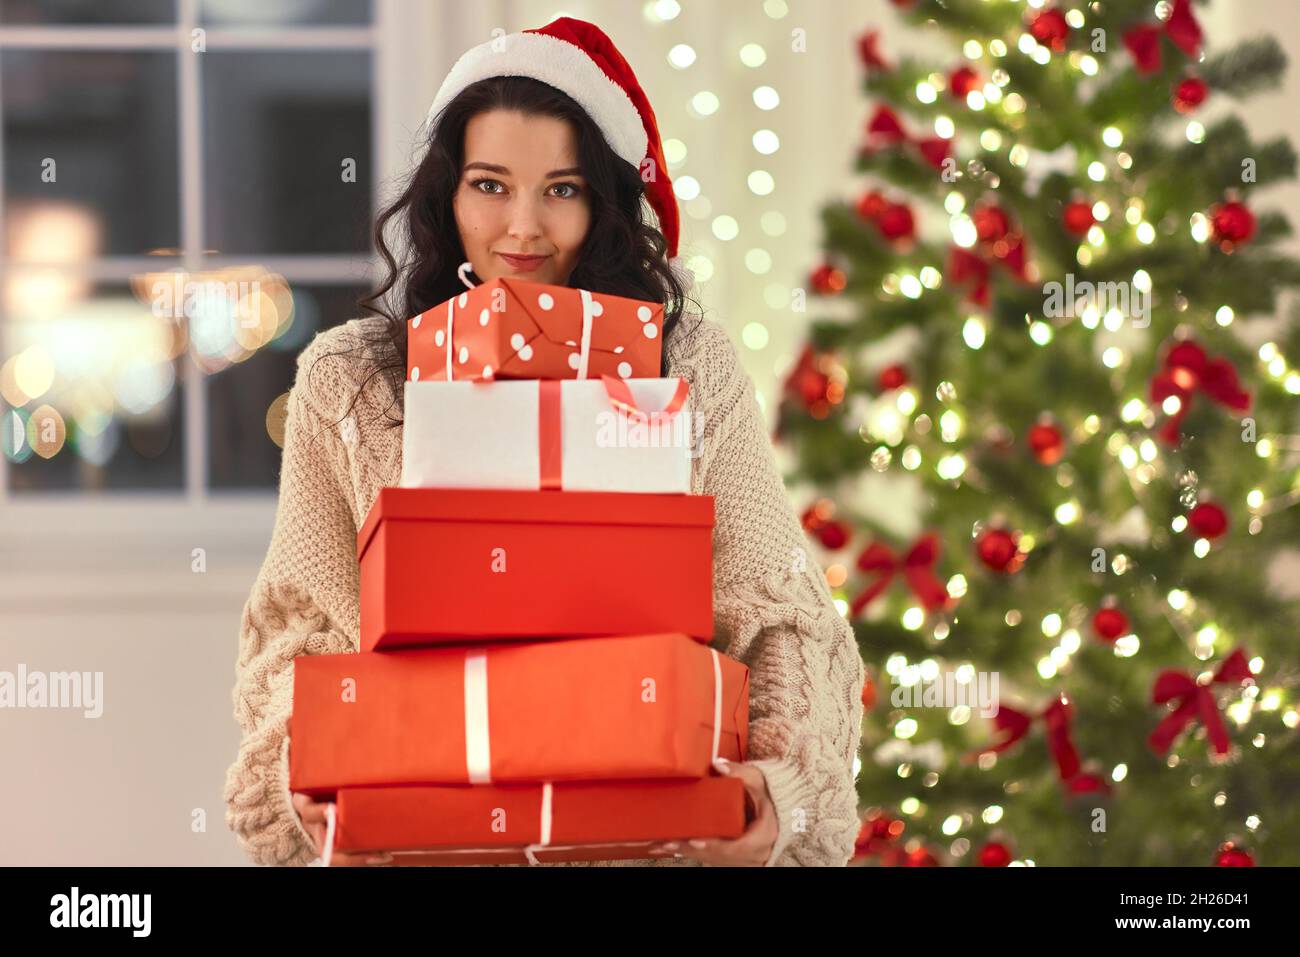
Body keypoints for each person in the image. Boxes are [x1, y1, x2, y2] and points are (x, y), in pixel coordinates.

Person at [223, 16, 864, 868]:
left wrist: (776, 792)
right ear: (446, 196)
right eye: (490, 184)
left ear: (600, 200)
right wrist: (307, 781)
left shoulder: (688, 367)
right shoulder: (353, 380)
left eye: (560, 188)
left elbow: (774, 608)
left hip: (647, 839)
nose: (522, 228)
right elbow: (301, 627)